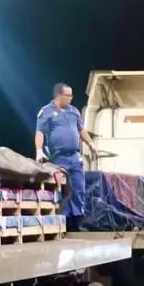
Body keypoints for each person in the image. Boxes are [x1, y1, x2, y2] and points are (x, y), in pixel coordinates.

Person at [35, 83, 97, 231]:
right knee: (63, 190)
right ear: (59, 96)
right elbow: (40, 133)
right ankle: (63, 221)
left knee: (79, 188)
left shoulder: (74, 111)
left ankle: (77, 221)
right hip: (58, 158)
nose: (71, 98)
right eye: (68, 95)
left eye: (71, 95)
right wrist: (38, 150)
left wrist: (90, 143)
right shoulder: (46, 112)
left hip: (74, 157)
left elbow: (81, 130)